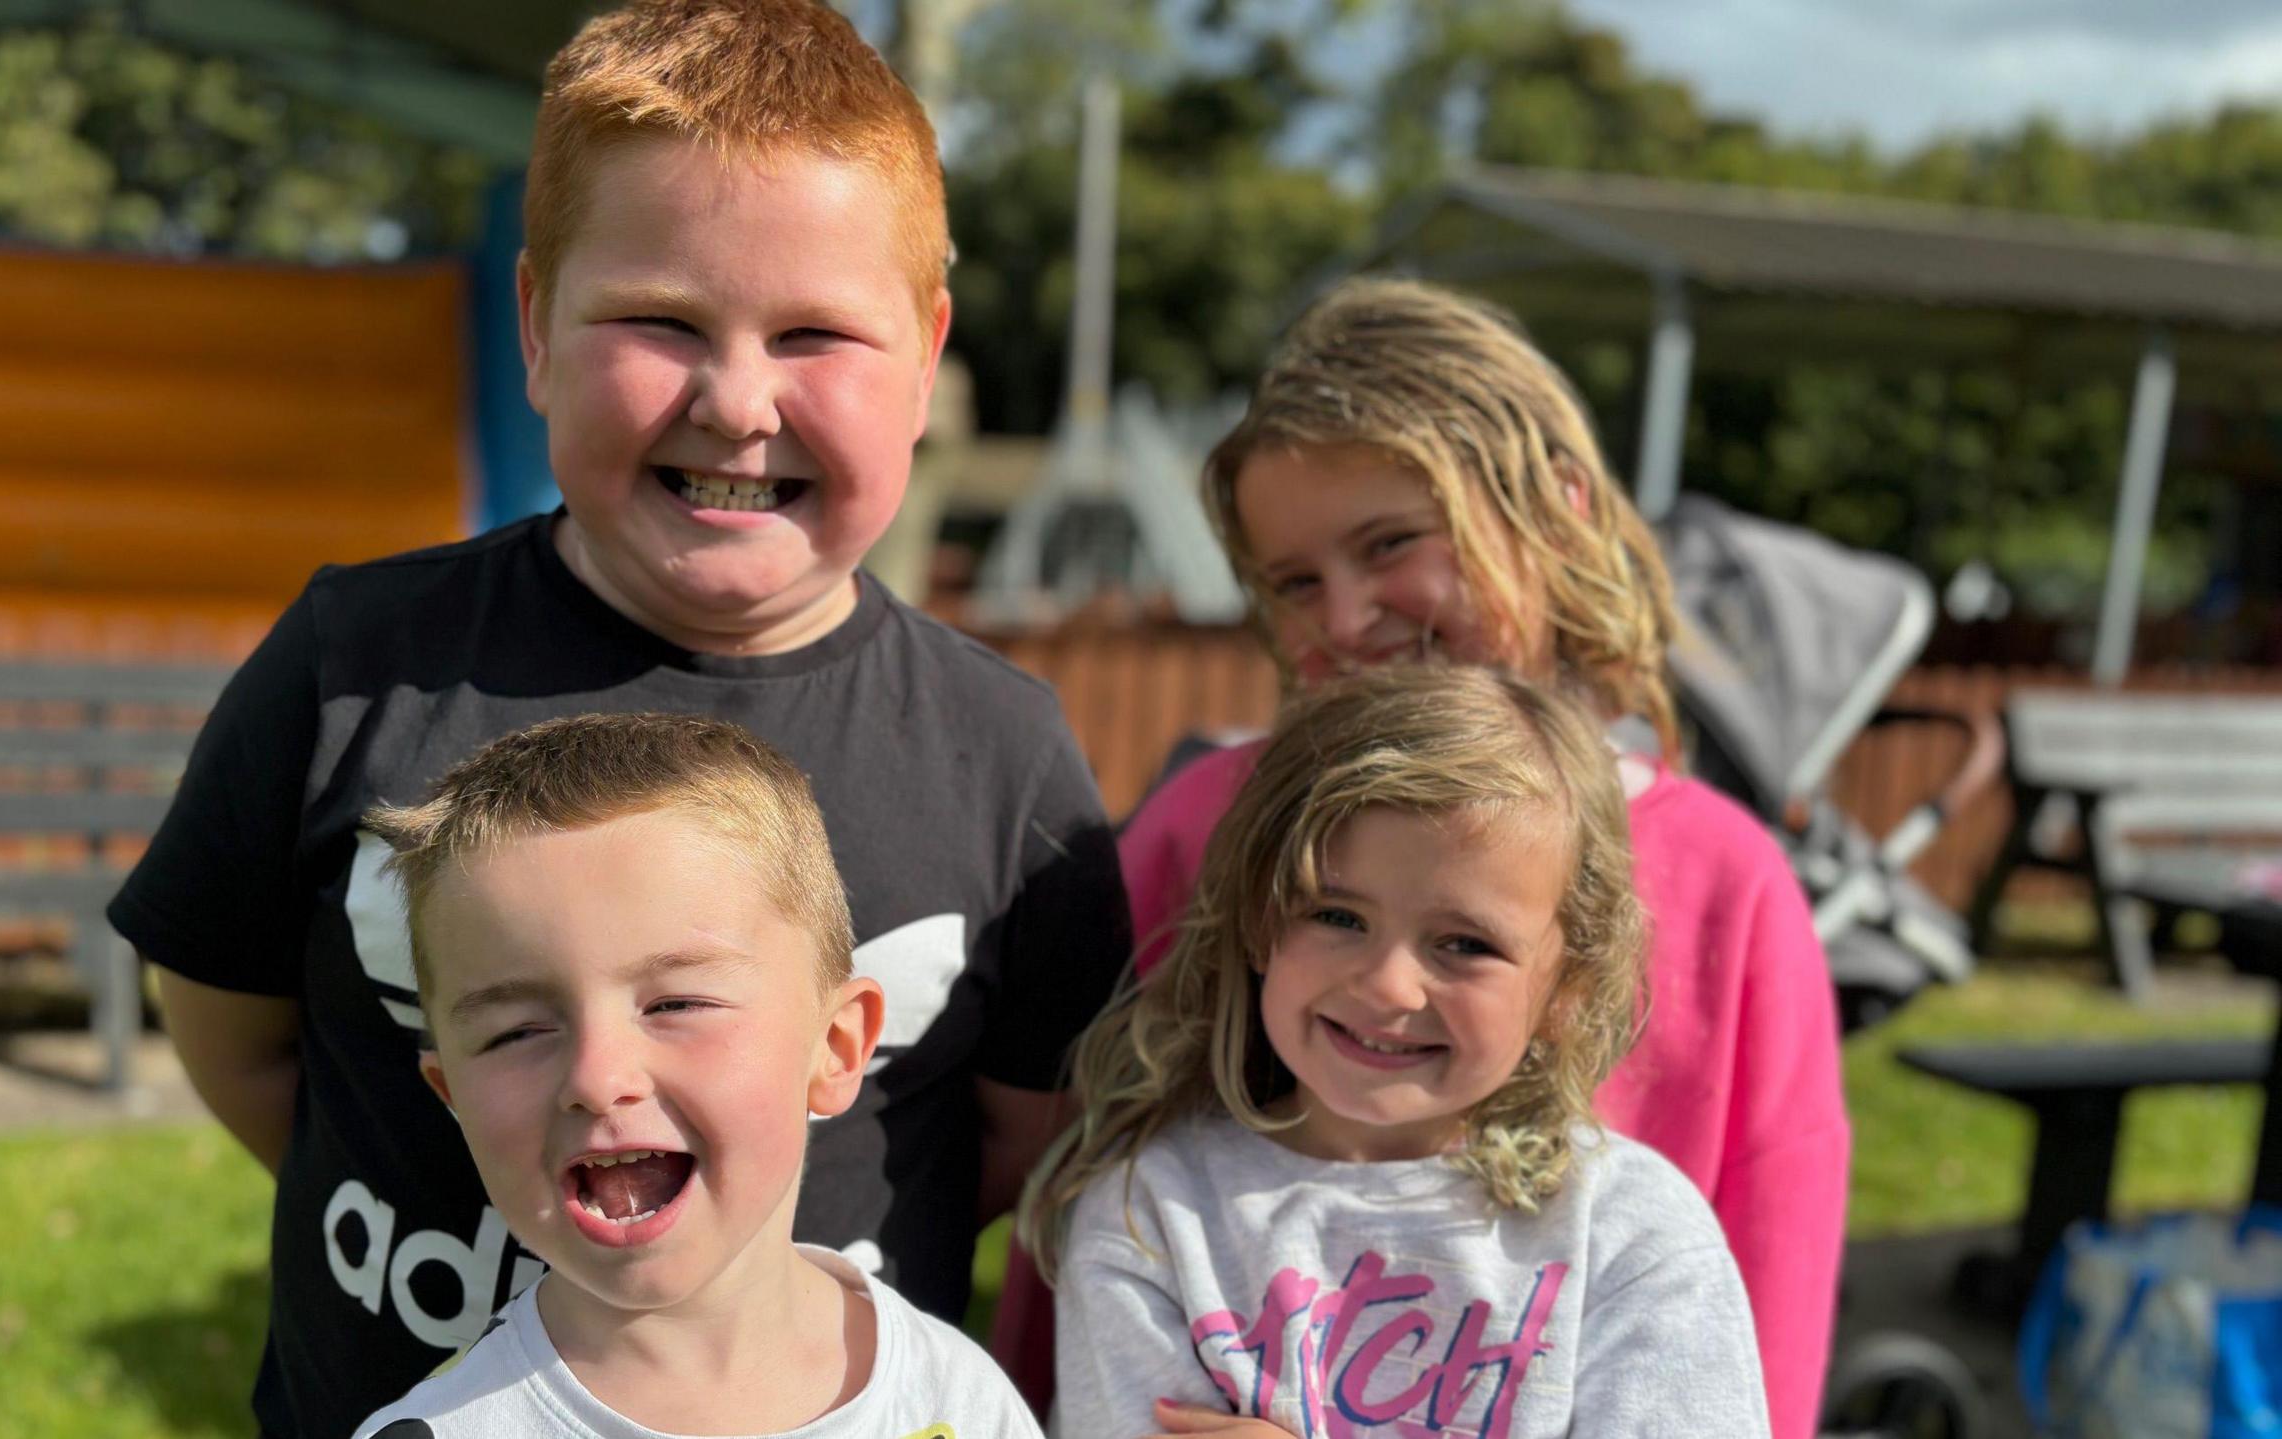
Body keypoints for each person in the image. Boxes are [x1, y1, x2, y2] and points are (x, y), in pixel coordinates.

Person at [109, 4, 1128, 1433]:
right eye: (660, 321)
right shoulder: (356, 663)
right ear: (535, 325)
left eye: (817, 334)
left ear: (926, 356)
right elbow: (235, 1027)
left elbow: (1020, 1129)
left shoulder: (1003, 759)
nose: (738, 399)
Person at [1103, 277, 1846, 1437]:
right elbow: (1083, 1253)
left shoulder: (1730, 883)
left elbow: (1769, 1312)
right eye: (1295, 582)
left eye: (1391, 542)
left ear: (1556, 509)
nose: (1344, 617)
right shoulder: (1193, 829)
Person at [1025, 667, 1770, 1438]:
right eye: (1338, 916)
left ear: (1566, 991)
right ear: (1257, 919)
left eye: (1464, 943)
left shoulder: (1630, 1233)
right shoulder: (1151, 1214)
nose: (1388, 987)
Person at [349, 714, 1043, 1439]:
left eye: (676, 1002)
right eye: (516, 1030)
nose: (597, 1075)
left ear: (836, 1046)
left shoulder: (955, 1400)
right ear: (452, 1097)